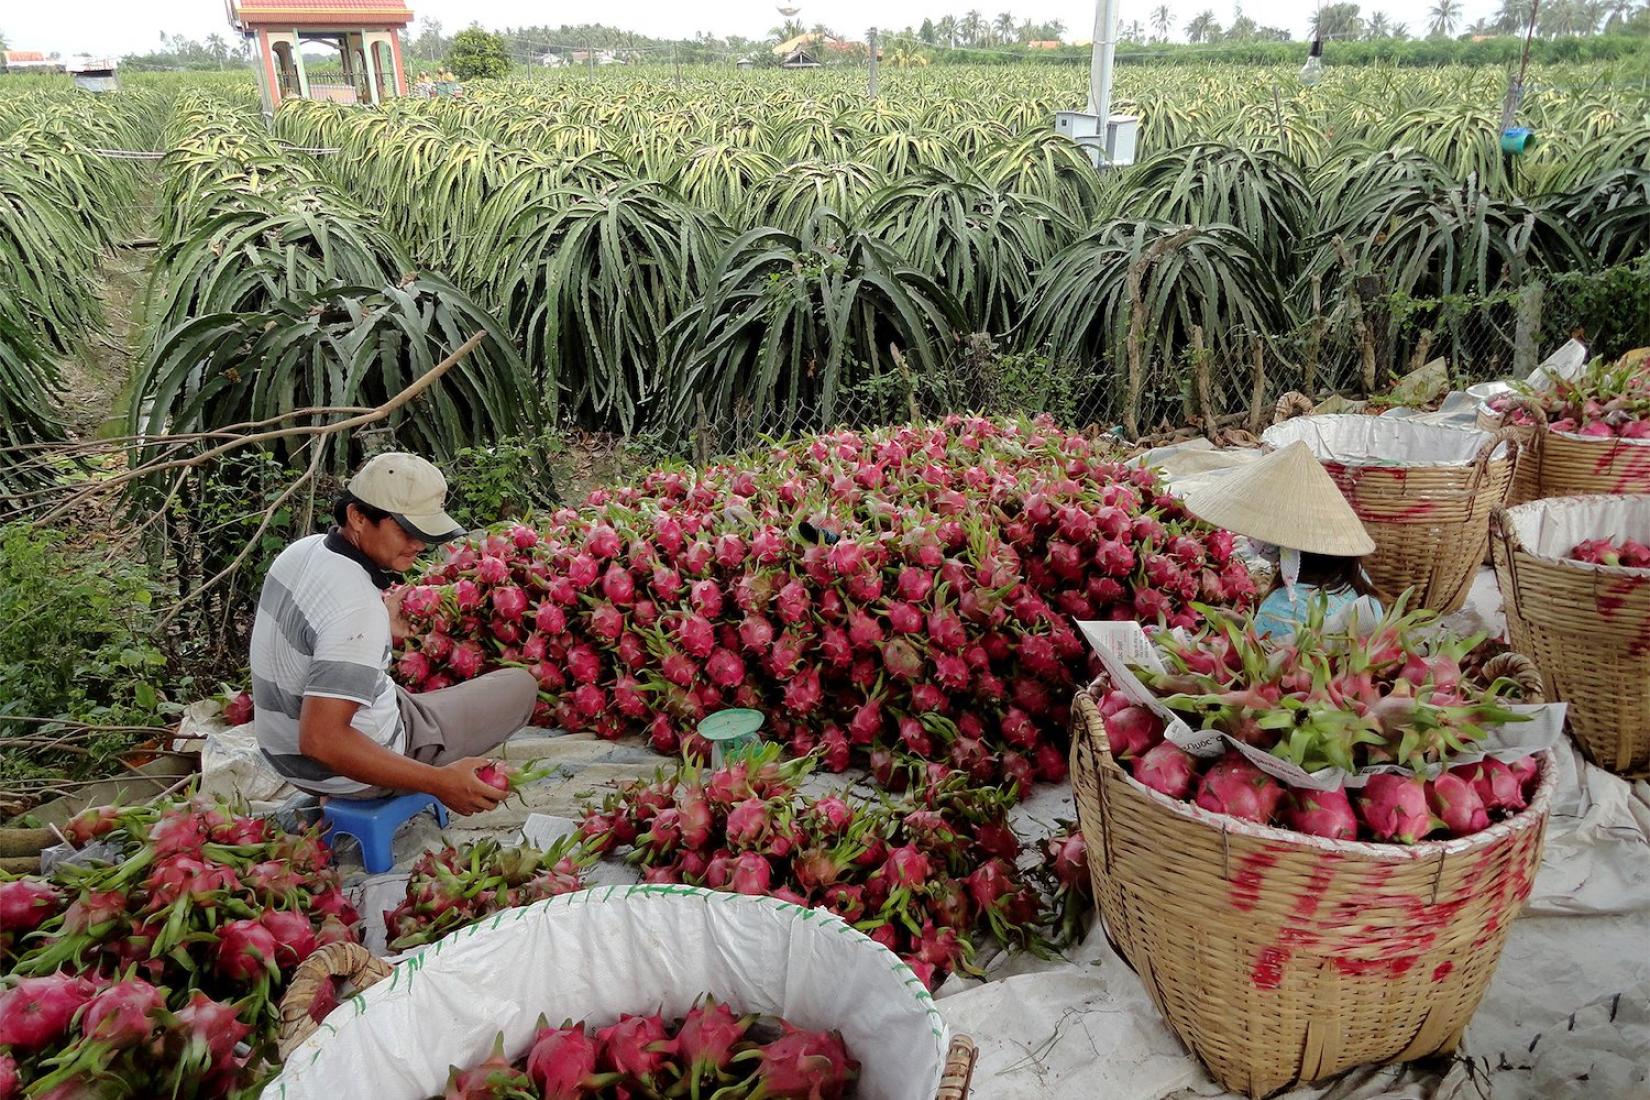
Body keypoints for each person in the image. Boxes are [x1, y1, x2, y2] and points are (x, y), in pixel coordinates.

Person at [251, 453, 537, 815]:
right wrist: (441, 781)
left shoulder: (301, 551)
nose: (419, 544)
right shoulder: (356, 611)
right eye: (407, 530)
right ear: (357, 516)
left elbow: (316, 636)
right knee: (519, 685)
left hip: (282, 756)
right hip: (344, 771)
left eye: (425, 532)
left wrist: (381, 630)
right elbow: (321, 741)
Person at [1181, 440, 1383, 638]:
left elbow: (1264, 662)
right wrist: (1243, 625)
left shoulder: (1283, 608)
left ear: (1288, 551)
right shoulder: (1356, 579)